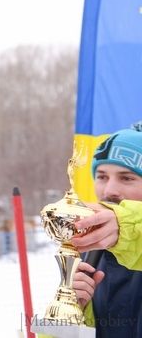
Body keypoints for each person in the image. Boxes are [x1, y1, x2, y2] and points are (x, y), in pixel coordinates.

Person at [69, 127, 142, 336]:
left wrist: (126, 228)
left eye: (127, 178)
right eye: (101, 177)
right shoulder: (83, 252)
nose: (109, 190)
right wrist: (70, 313)